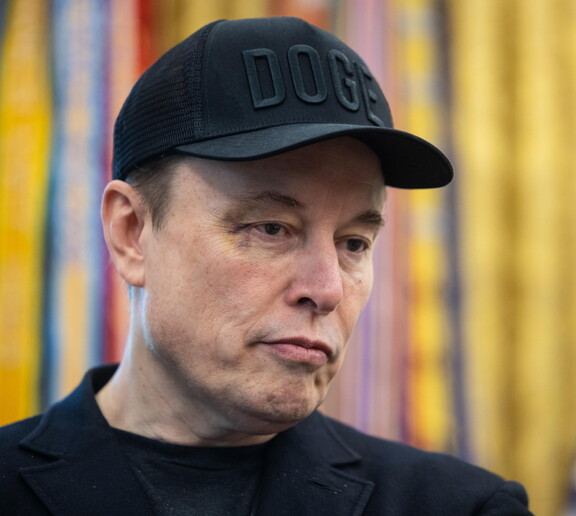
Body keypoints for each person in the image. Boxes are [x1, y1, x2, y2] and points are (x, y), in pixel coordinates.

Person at [0, 17, 531, 515]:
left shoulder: (457, 506)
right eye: (271, 228)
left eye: (354, 243)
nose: (327, 289)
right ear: (131, 232)